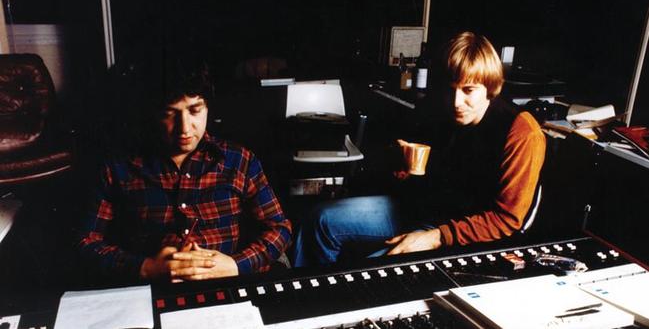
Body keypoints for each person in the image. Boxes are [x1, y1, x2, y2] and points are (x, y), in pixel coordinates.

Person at [293, 32, 546, 266]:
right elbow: (424, 175)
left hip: (462, 234)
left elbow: (507, 220)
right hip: (425, 211)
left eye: (469, 91)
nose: (457, 102)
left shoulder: (522, 132)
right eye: (451, 89)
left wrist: (435, 237)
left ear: (490, 87)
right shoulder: (445, 111)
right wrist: (399, 164)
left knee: (373, 267)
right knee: (319, 220)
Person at [78, 60, 292, 283]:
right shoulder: (118, 167)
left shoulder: (240, 161)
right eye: (169, 113)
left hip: (229, 283)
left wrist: (235, 265)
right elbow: (86, 241)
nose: (184, 128)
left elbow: (280, 229)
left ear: (208, 107)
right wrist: (144, 268)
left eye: (194, 110)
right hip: (153, 288)